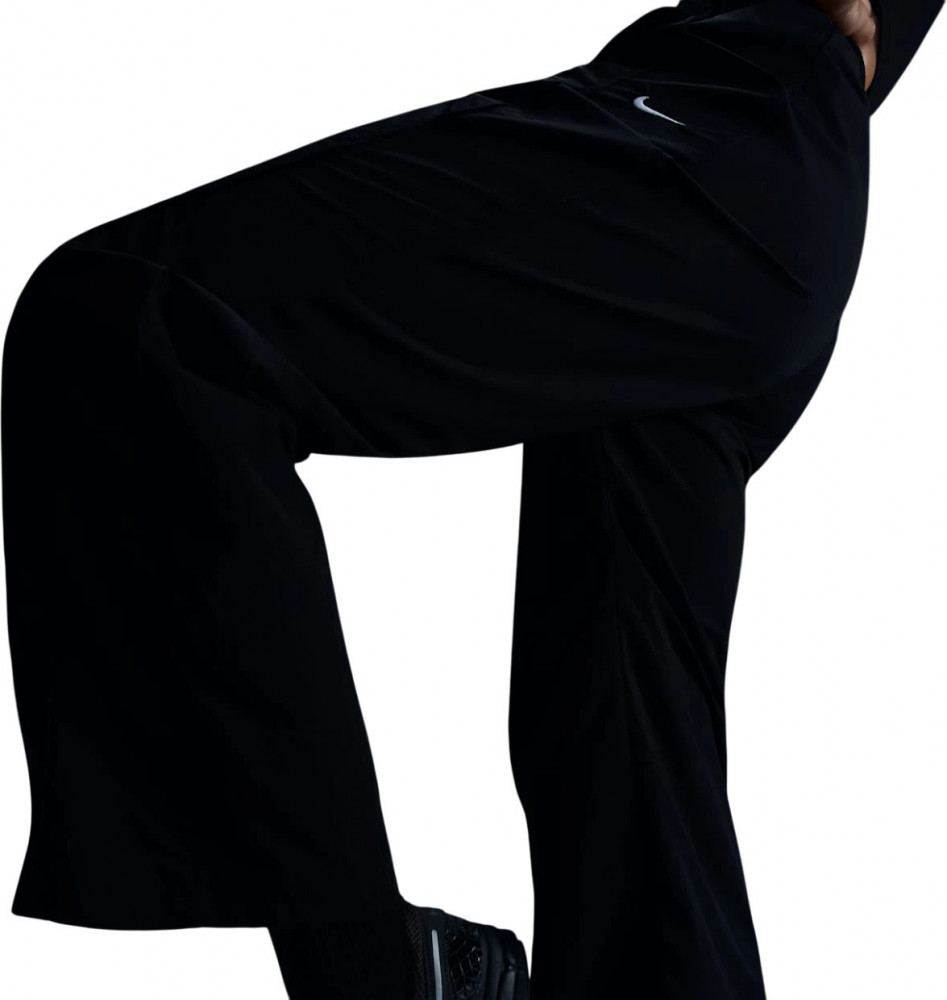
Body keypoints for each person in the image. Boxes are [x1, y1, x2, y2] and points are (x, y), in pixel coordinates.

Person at [1, 0, 942, 997]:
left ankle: (376, 972)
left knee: (134, 321)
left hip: (719, 131)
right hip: (762, 178)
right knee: (628, 746)